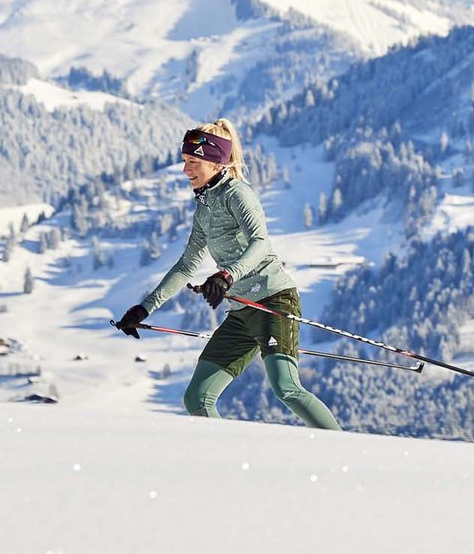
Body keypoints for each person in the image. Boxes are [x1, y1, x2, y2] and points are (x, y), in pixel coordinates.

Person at [116, 120, 341, 430]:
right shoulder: (205, 206)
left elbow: (260, 242)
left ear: (214, 160)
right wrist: (144, 308)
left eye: (193, 162)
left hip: (274, 301)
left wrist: (226, 275)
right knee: (197, 398)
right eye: (185, 162)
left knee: (286, 388)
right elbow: (186, 266)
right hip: (241, 313)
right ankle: (228, 464)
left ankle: (344, 452)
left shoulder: (238, 194)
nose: (186, 170)